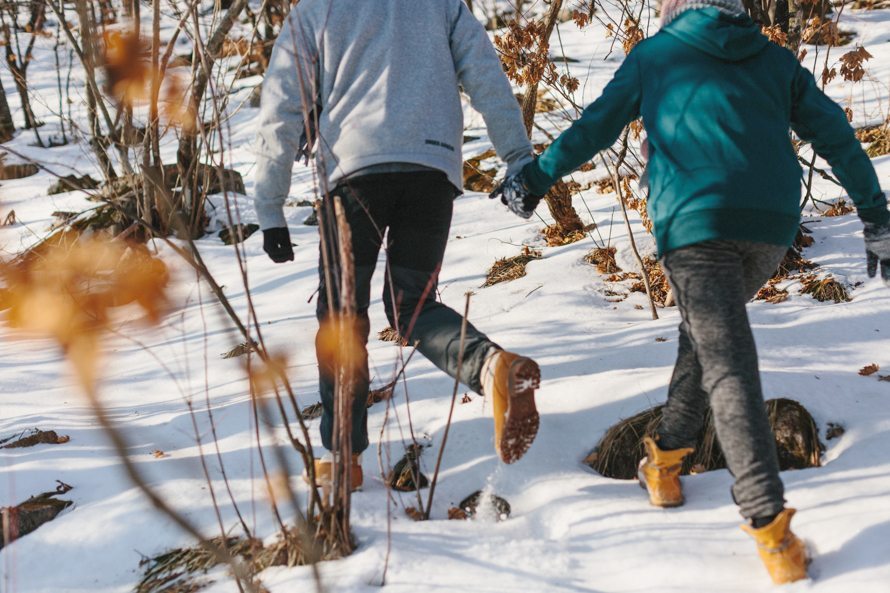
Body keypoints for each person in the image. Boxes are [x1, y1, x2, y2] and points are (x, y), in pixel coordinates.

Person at [491, 0, 889, 584]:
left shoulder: (656, 56)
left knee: (727, 360)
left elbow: (594, 127)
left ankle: (767, 522)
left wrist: (534, 177)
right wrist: (875, 216)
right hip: (767, 232)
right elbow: (836, 135)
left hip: (695, 227)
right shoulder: (775, 60)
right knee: (706, 340)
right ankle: (666, 459)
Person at [253, 0, 543, 491]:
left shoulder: (315, 11)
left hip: (351, 176)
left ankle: (344, 459)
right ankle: (491, 366)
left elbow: (281, 106)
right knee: (413, 305)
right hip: (430, 171)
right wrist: (517, 157)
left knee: (342, 314)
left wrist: (270, 210)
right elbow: (485, 75)